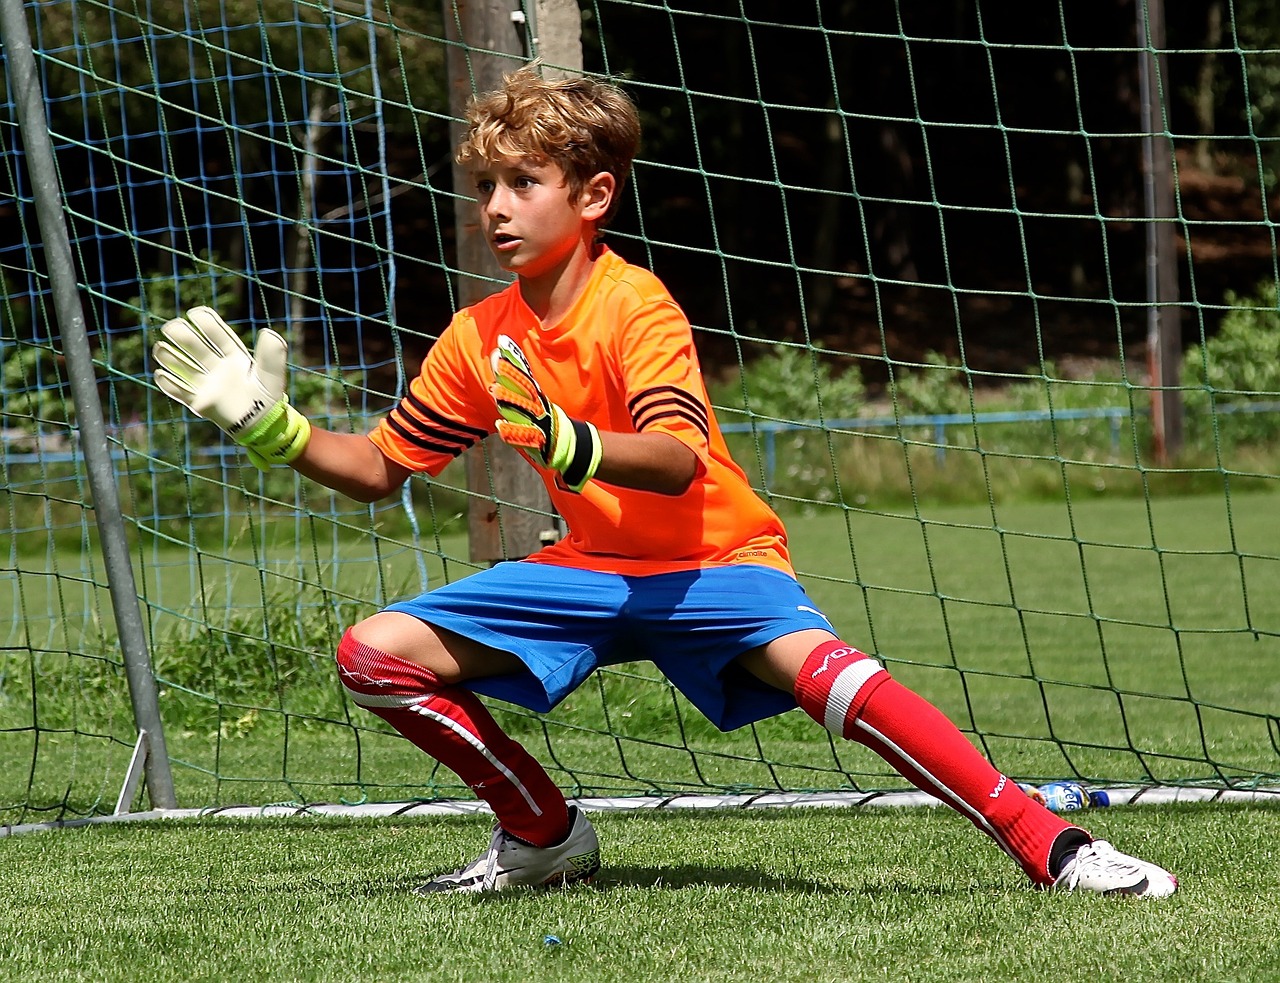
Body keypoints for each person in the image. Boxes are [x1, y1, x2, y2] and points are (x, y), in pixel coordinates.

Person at [152, 65, 1177, 898]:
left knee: (834, 676)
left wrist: (570, 443)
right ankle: (543, 833)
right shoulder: (478, 335)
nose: (496, 208)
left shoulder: (635, 304)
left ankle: (1053, 843)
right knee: (373, 654)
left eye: (522, 183)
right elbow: (380, 468)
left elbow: (677, 454)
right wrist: (270, 426)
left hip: (710, 559)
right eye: (484, 187)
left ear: (592, 195)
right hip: (590, 569)